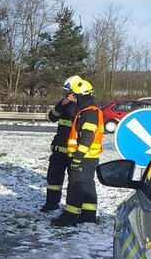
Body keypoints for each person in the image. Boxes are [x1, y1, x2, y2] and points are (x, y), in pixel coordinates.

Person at [52, 78, 104, 227]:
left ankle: (69, 218)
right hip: (90, 157)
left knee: (76, 187)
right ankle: (88, 216)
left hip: (84, 157)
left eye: (74, 95)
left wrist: (78, 158)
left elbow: (87, 137)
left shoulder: (89, 113)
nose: (72, 98)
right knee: (87, 186)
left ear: (80, 95)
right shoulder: (89, 111)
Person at [40, 75, 81, 212]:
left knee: (74, 183)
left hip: (73, 152)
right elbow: (52, 117)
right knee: (53, 180)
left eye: (71, 93)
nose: (69, 95)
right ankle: (51, 204)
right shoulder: (64, 103)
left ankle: (72, 209)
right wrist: (62, 104)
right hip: (59, 150)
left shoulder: (84, 107)